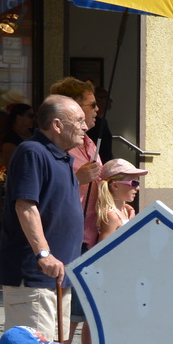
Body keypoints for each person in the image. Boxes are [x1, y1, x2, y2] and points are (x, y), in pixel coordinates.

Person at [0, 96, 86, 344]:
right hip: (34, 276)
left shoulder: (62, 157)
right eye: (79, 121)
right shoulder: (32, 152)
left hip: (57, 278)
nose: (85, 127)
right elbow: (25, 206)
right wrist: (43, 253)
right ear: (57, 125)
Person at [49, 78, 105, 248]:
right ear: (74, 108)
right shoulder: (54, 147)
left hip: (92, 236)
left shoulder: (89, 142)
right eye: (92, 104)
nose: (97, 109)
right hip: (66, 238)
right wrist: (78, 178)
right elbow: (45, 192)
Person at [93, 158, 144, 243]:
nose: (138, 188)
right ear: (115, 186)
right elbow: (103, 251)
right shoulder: (112, 217)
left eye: (138, 183)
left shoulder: (125, 210)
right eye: (134, 183)